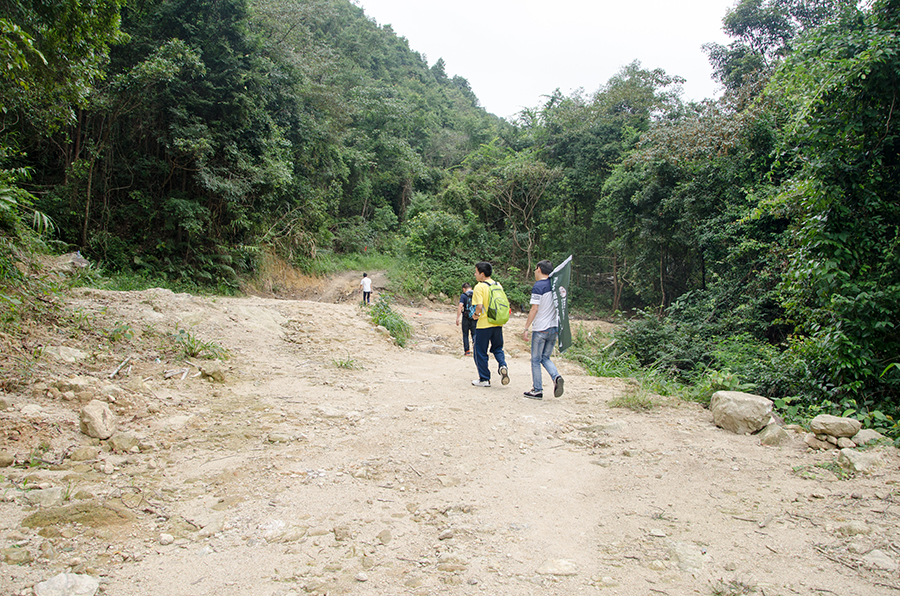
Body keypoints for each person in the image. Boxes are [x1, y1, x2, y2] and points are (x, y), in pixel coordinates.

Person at [521, 260, 564, 400]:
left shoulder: (539, 286)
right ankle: (556, 376)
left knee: (535, 359)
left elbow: (534, 308)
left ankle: (537, 390)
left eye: (535, 269)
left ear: (539, 269)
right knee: (545, 357)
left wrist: (526, 327)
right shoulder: (555, 285)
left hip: (541, 329)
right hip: (554, 327)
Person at [471, 262, 509, 387]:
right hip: (497, 323)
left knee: (480, 351)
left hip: (484, 324)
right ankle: (502, 365)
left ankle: (484, 379)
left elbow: (479, 306)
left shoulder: (479, 287)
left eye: (476, 272)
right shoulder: (498, 285)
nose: (475, 274)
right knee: (497, 348)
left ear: (482, 274)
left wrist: (476, 315)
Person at [455, 282, 476, 356]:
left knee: (465, 334)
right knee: (475, 334)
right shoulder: (476, 294)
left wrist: (457, 318)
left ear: (464, 289)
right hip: (475, 317)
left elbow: (460, 306)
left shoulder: (463, 295)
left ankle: (467, 351)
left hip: (466, 318)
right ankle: (476, 350)